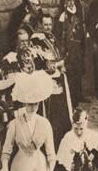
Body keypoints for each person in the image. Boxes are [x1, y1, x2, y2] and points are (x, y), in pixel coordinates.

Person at [31, 14, 73, 150]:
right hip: (47, 80)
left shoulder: (52, 38)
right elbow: (41, 63)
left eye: (50, 25)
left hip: (58, 78)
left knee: (61, 112)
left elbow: (57, 56)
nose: (48, 27)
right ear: (40, 25)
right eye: (45, 25)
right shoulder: (37, 41)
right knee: (51, 114)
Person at [57, 0, 87, 107]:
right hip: (68, 49)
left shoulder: (77, 16)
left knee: (78, 72)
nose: (71, 3)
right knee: (70, 74)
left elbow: (80, 32)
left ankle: (79, 95)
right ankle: (72, 99)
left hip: (77, 47)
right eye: (69, 1)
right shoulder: (63, 18)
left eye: (72, 1)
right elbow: (60, 34)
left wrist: (82, 45)